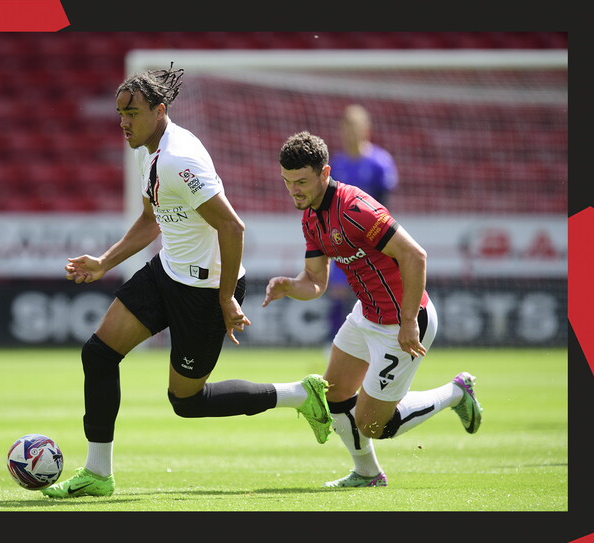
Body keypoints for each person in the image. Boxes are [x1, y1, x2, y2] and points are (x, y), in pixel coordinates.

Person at [40, 65, 332, 499]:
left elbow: (233, 228)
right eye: (120, 112)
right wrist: (104, 262)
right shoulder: (146, 150)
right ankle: (98, 473)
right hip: (168, 272)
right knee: (99, 355)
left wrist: (227, 299)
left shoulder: (180, 159)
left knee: (187, 403)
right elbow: (150, 220)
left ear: (159, 111)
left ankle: (297, 394)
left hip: (205, 293)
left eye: (132, 112)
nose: (123, 121)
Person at [263, 131, 482, 488]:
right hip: (366, 315)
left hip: (403, 320)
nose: (294, 190)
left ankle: (457, 392)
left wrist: (408, 320)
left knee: (373, 425)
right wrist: (290, 285)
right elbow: (316, 283)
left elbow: (415, 255)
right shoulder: (311, 218)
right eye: (287, 182)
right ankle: (367, 473)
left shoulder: (355, 208)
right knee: (333, 393)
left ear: (324, 172)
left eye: (302, 181)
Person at [325, 104, 400, 340]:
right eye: (345, 127)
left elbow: (385, 204)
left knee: (372, 292)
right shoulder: (336, 163)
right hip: (343, 238)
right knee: (337, 291)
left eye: (354, 126)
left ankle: (377, 341)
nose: (349, 132)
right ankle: (332, 344)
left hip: (373, 238)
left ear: (365, 129)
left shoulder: (380, 162)